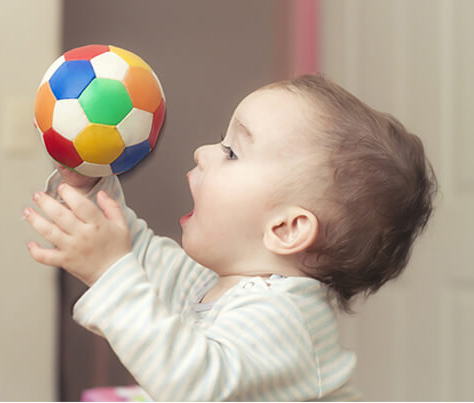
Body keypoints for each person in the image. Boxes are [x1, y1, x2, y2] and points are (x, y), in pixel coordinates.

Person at [23, 74, 437, 401]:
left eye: (232, 152)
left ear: (286, 229)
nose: (202, 152)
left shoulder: (285, 318)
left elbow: (195, 385)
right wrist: (89, 188)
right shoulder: (211, 283)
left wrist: (111, 272)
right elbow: (137, 257)